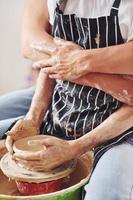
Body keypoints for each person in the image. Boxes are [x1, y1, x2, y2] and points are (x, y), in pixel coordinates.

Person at [0, 0, 133, 199]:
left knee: (107, 193)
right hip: (64, 102)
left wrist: (75, 147)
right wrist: (32, 119)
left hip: (118, 124)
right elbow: (49, 56)